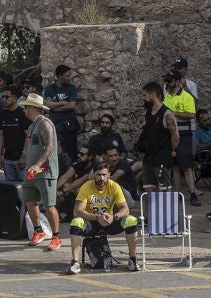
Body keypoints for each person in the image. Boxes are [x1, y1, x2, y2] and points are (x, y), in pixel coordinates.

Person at [66, 155, 142, 274]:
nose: (101, 178)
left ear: (109, 175)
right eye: (98, 175)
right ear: (94, 175)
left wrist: (114, 217)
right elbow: (77, 211)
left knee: (131, 220)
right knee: (76, 222)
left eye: (104, 175)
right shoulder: (87, 186)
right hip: (91, 223)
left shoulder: (114, 186)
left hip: (109, 221)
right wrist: (96, 217)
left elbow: (125, 209)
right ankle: (75, 263)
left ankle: (132, 259)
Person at [17, 92, 63, 251]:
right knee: (29, 202)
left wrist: (37, 165)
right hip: (32, 172)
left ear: (32, 108)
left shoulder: (45, 123)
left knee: (49, 206)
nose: (24, 110)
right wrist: (25, 157)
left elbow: (50, 147)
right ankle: (39, 231)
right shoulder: (31, 126)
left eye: (26, 107)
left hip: (45, 172)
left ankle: (57, 237)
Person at [135, 81, 178, 190]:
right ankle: (151, 207)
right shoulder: (149, 112)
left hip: (161, 159)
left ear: (152, 95)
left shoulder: (166, 113)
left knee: (164, 191)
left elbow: (175, 136)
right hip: (149, 158)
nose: (143, 98)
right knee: (148, 188)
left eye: (145, 95)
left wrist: (172, 150)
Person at [163, 76, 199, 202]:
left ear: (177, 82)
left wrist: (173, 113)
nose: (167, 83)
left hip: (184, 135)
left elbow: (191, 114)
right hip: (169, 135)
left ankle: (193, 193)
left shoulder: (186, 96)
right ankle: (178, 193)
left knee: (187, 166)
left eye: (169, 80)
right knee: (175, 166)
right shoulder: (166, 96)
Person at [44, 64, 82, 165]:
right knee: (56, 153)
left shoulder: (72, 88)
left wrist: (54, 108)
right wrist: (62, 103)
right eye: (67, 76)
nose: (69, 78)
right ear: (59, 76)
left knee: (70, 153)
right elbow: (47, 104)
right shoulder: (49, 89)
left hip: (69, 127)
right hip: (55, 126)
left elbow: (71, 106)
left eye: (70, 75)